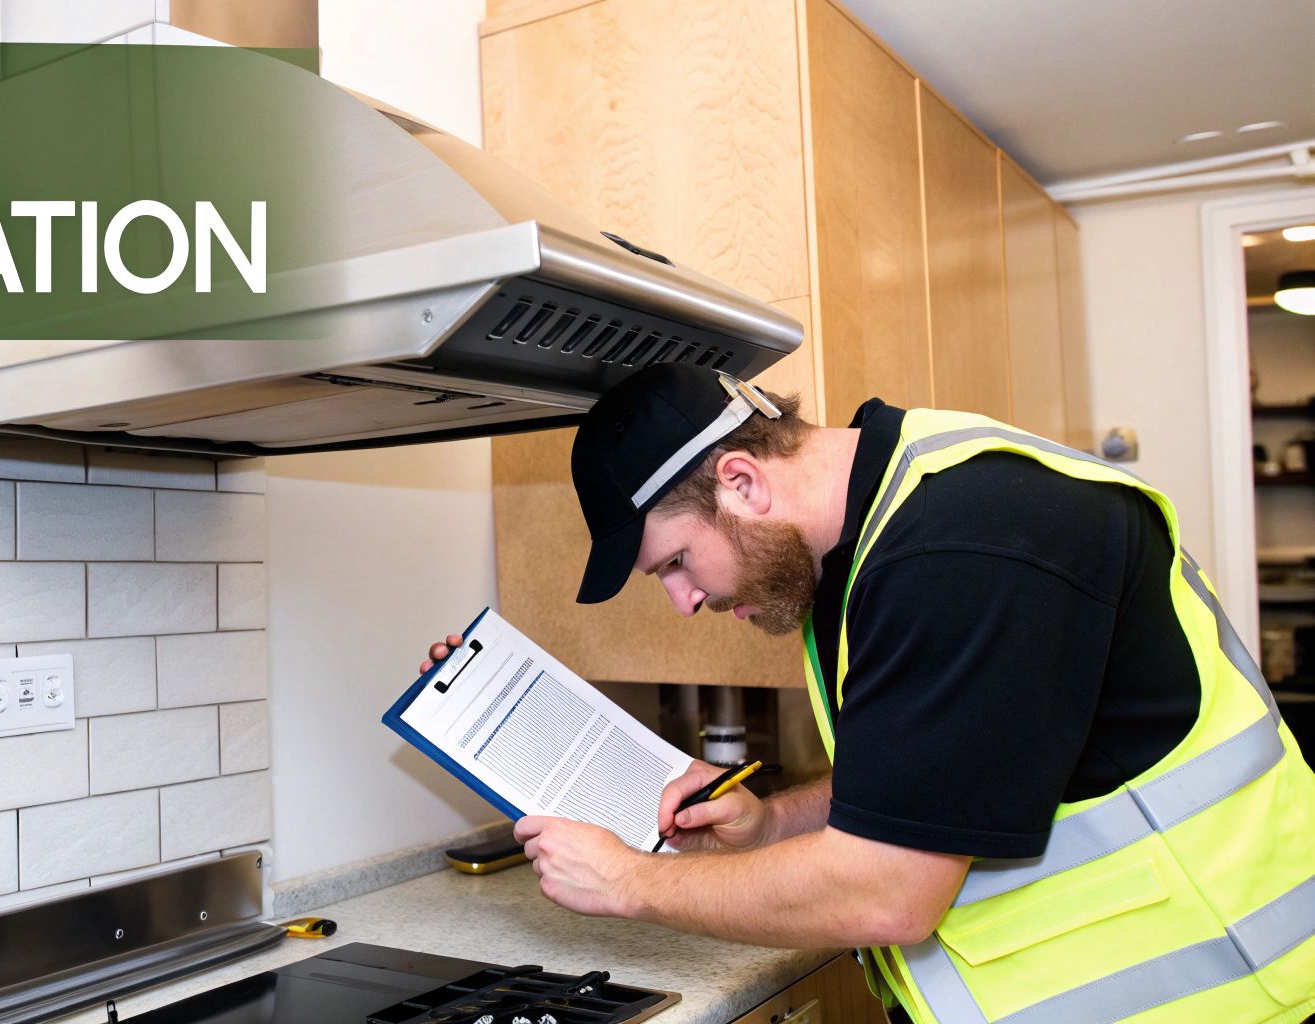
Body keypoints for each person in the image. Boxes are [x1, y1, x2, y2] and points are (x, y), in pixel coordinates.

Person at [419, 365, 1315, 1024]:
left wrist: (630, 882)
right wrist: (772, 825)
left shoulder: (962, 548)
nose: (685, 601)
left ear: (740, 480)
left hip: (1226, 996)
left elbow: (888, 890)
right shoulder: (869, 544)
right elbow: (934, 775)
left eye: (677, 563)